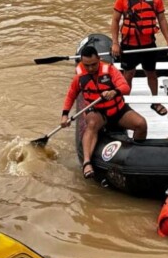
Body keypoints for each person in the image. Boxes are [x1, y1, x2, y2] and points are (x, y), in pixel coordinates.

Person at [60, 46, 147, 179]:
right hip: (97, 112)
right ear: (82, 63)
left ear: (99, 60)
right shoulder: (79, 77)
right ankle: (87, 162)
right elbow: (71, 95)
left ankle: (137, 154)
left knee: (141, 124)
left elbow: (125, 87)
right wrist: (65, 115)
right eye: (87, 65)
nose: (90, 68)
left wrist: (114, 91)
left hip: (117, 110)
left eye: (93, 65)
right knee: (92, 124)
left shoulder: (110, 70)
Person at [111, 0, 168, 116]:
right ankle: (124, 104)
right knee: (128, 74)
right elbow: (114, 21)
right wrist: (115, 43)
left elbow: (162, 19)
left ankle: (156, 101)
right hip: (129, 44)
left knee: (151, 73)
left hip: (148, 44)